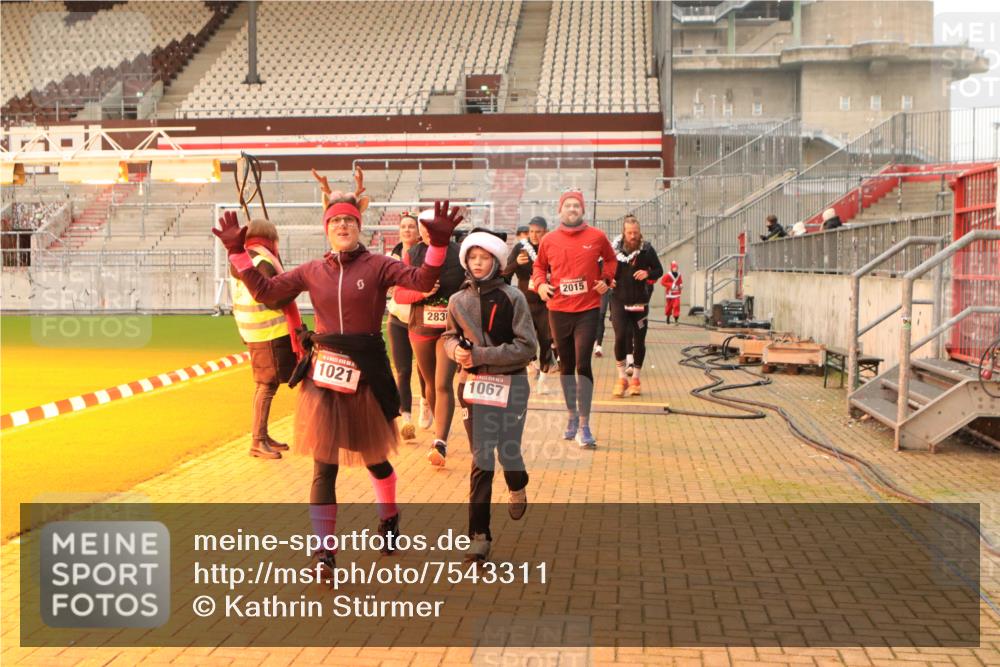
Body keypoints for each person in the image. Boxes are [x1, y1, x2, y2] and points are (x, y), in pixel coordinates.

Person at [215, 190, 463, 571]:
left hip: (366, 372)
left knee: (375, 460)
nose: (343, 225)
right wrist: (237, 253)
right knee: (323, 466)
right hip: (326, 375)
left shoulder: (379, 265)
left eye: (349, 220)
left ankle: (389, 515)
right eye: (335, 221)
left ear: (359, 228)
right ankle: (324, 553)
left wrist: (439, 245)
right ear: (326, 230)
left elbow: (421, 277)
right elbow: (267, 293)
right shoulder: (312, 270)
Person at [443, 229, 537, 562]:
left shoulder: (514, 298)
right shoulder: (457, 301)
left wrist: (480, 355)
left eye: (484, 258)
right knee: (482, 457)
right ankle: (478, 535)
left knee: (508, 452)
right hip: (472, 387)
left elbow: (528, 347)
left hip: (511, 385)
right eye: (473, 257)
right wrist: (457, 352)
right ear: (466, 261)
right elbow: (448, 338)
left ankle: (517, 482)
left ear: (496, 261)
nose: (478, 263)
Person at [532, 190, 617, 448]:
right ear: (560, 211)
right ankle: (571, 415)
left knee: (583, 364)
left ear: (582, 210)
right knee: (566, 366)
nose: (572, 209)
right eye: (568, 205)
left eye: (576, 206)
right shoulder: (549, 240)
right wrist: (539, 286)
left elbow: (611, 261)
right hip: (558, 310)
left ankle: (584, 424)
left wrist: (605, 280)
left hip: (588, 309)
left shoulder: (597, 236)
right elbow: (539, 267)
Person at [392, 209, 466, 468]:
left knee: (443, 382)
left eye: (431, 226)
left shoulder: (461, 252)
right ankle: (436, 420)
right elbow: (399, 295)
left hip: (450, 330)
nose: (425, 230)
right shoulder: (413, 253)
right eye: (423, 226)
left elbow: (471, 288)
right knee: (429, 383)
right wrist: (421, 294)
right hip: (420, 327)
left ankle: (440, 441)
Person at [228, 218, 303, 459]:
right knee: (266, 385)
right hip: (268, 332)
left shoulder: (245, 257)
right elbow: (272, 298)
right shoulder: (262, 260)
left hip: (254, 330)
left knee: (266, 385)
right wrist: (294, 286)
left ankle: (262, 435)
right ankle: (257, 440)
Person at [609, 216, 663, 398]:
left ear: (640, 232)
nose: (633, 236)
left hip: (639, 301)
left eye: (636, 232)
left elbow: (659, 270)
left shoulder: (647, 249)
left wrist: (647, 273)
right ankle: (622, 378)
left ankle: (636, 379)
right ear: (623, 233)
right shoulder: (614, 250)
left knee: (639, 340)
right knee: (620, 337)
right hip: (618, 300)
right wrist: (609, 280)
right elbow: (603, 268)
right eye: (630, 233)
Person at [502, 215, 554, 395]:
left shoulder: (552, 247)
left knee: (547, 341)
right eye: (531, 231)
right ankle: (531, 365)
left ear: (545, 232)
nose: (534, 235)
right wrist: (516, 263)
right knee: (526, 340)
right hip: (525, 302)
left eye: (538, 232)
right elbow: (505, 274)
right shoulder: (520, 248)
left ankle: (543, 380)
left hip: (547, 302)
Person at [386, 212, 427, 439]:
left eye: (412, 226)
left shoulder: (425, 255)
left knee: (423, 369)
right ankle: (406, 419)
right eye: (404, 226)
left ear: (418, 231)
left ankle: (426, 401)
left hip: (420, 318)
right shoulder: (391, 256)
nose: (407, 230)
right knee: (403, 370)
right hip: (397, 317)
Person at [662, 260, 683, 325]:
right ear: (671, 268)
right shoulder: (667, 275)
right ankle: (668, 317)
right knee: (669, 307)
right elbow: (662, 282)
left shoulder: (679, 275)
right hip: (669, 294)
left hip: (676, 293)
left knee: (676, 306)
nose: (675, 269)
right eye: (674, 267)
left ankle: (676, 320)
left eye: (676, 267)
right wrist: (671, 285)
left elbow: (680, 281)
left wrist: (680, 285)